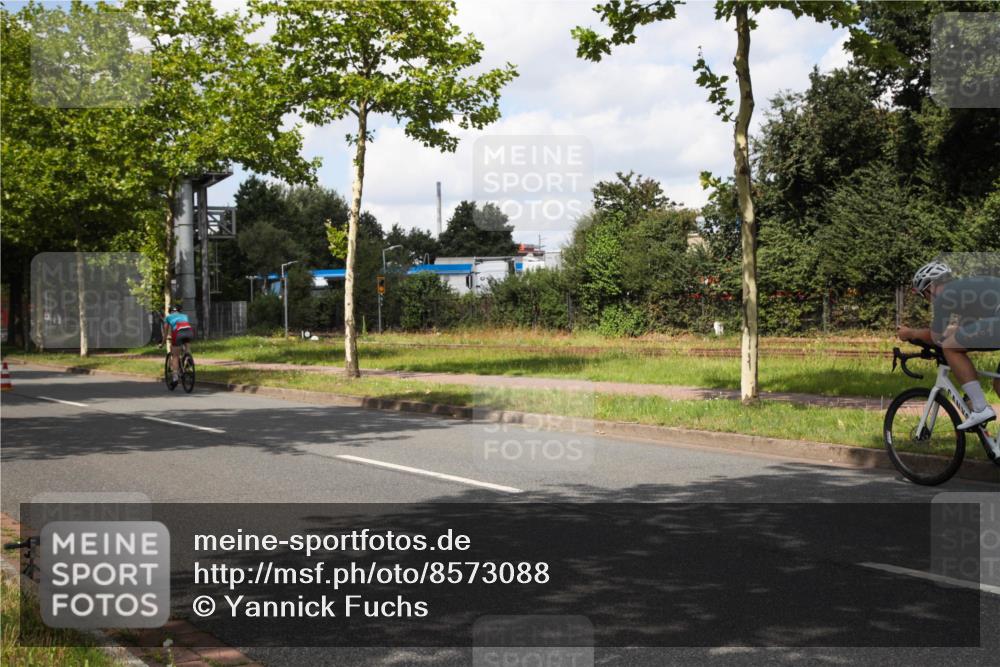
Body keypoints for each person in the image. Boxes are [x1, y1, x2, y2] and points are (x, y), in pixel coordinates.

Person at [897, 261, 1000, 430]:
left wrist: (909, 333)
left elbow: (936, 337)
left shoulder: (946, 296)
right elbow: (964, 332)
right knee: (999, 385)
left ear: (931, 286)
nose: (928, 300)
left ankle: (981, 408)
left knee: (950, 347)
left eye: (925, 294)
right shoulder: (965, 292)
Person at [162, 303, 195, 383]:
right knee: (187, 347)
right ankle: (188, 359)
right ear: (180, 310)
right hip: (189, 332)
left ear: (170, 311)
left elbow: (166, 332)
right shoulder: (184, 316)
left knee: (175, 356)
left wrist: (163, 342)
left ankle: (175, 376)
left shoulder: (168, 317)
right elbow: (185, 325)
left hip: (178, 333)